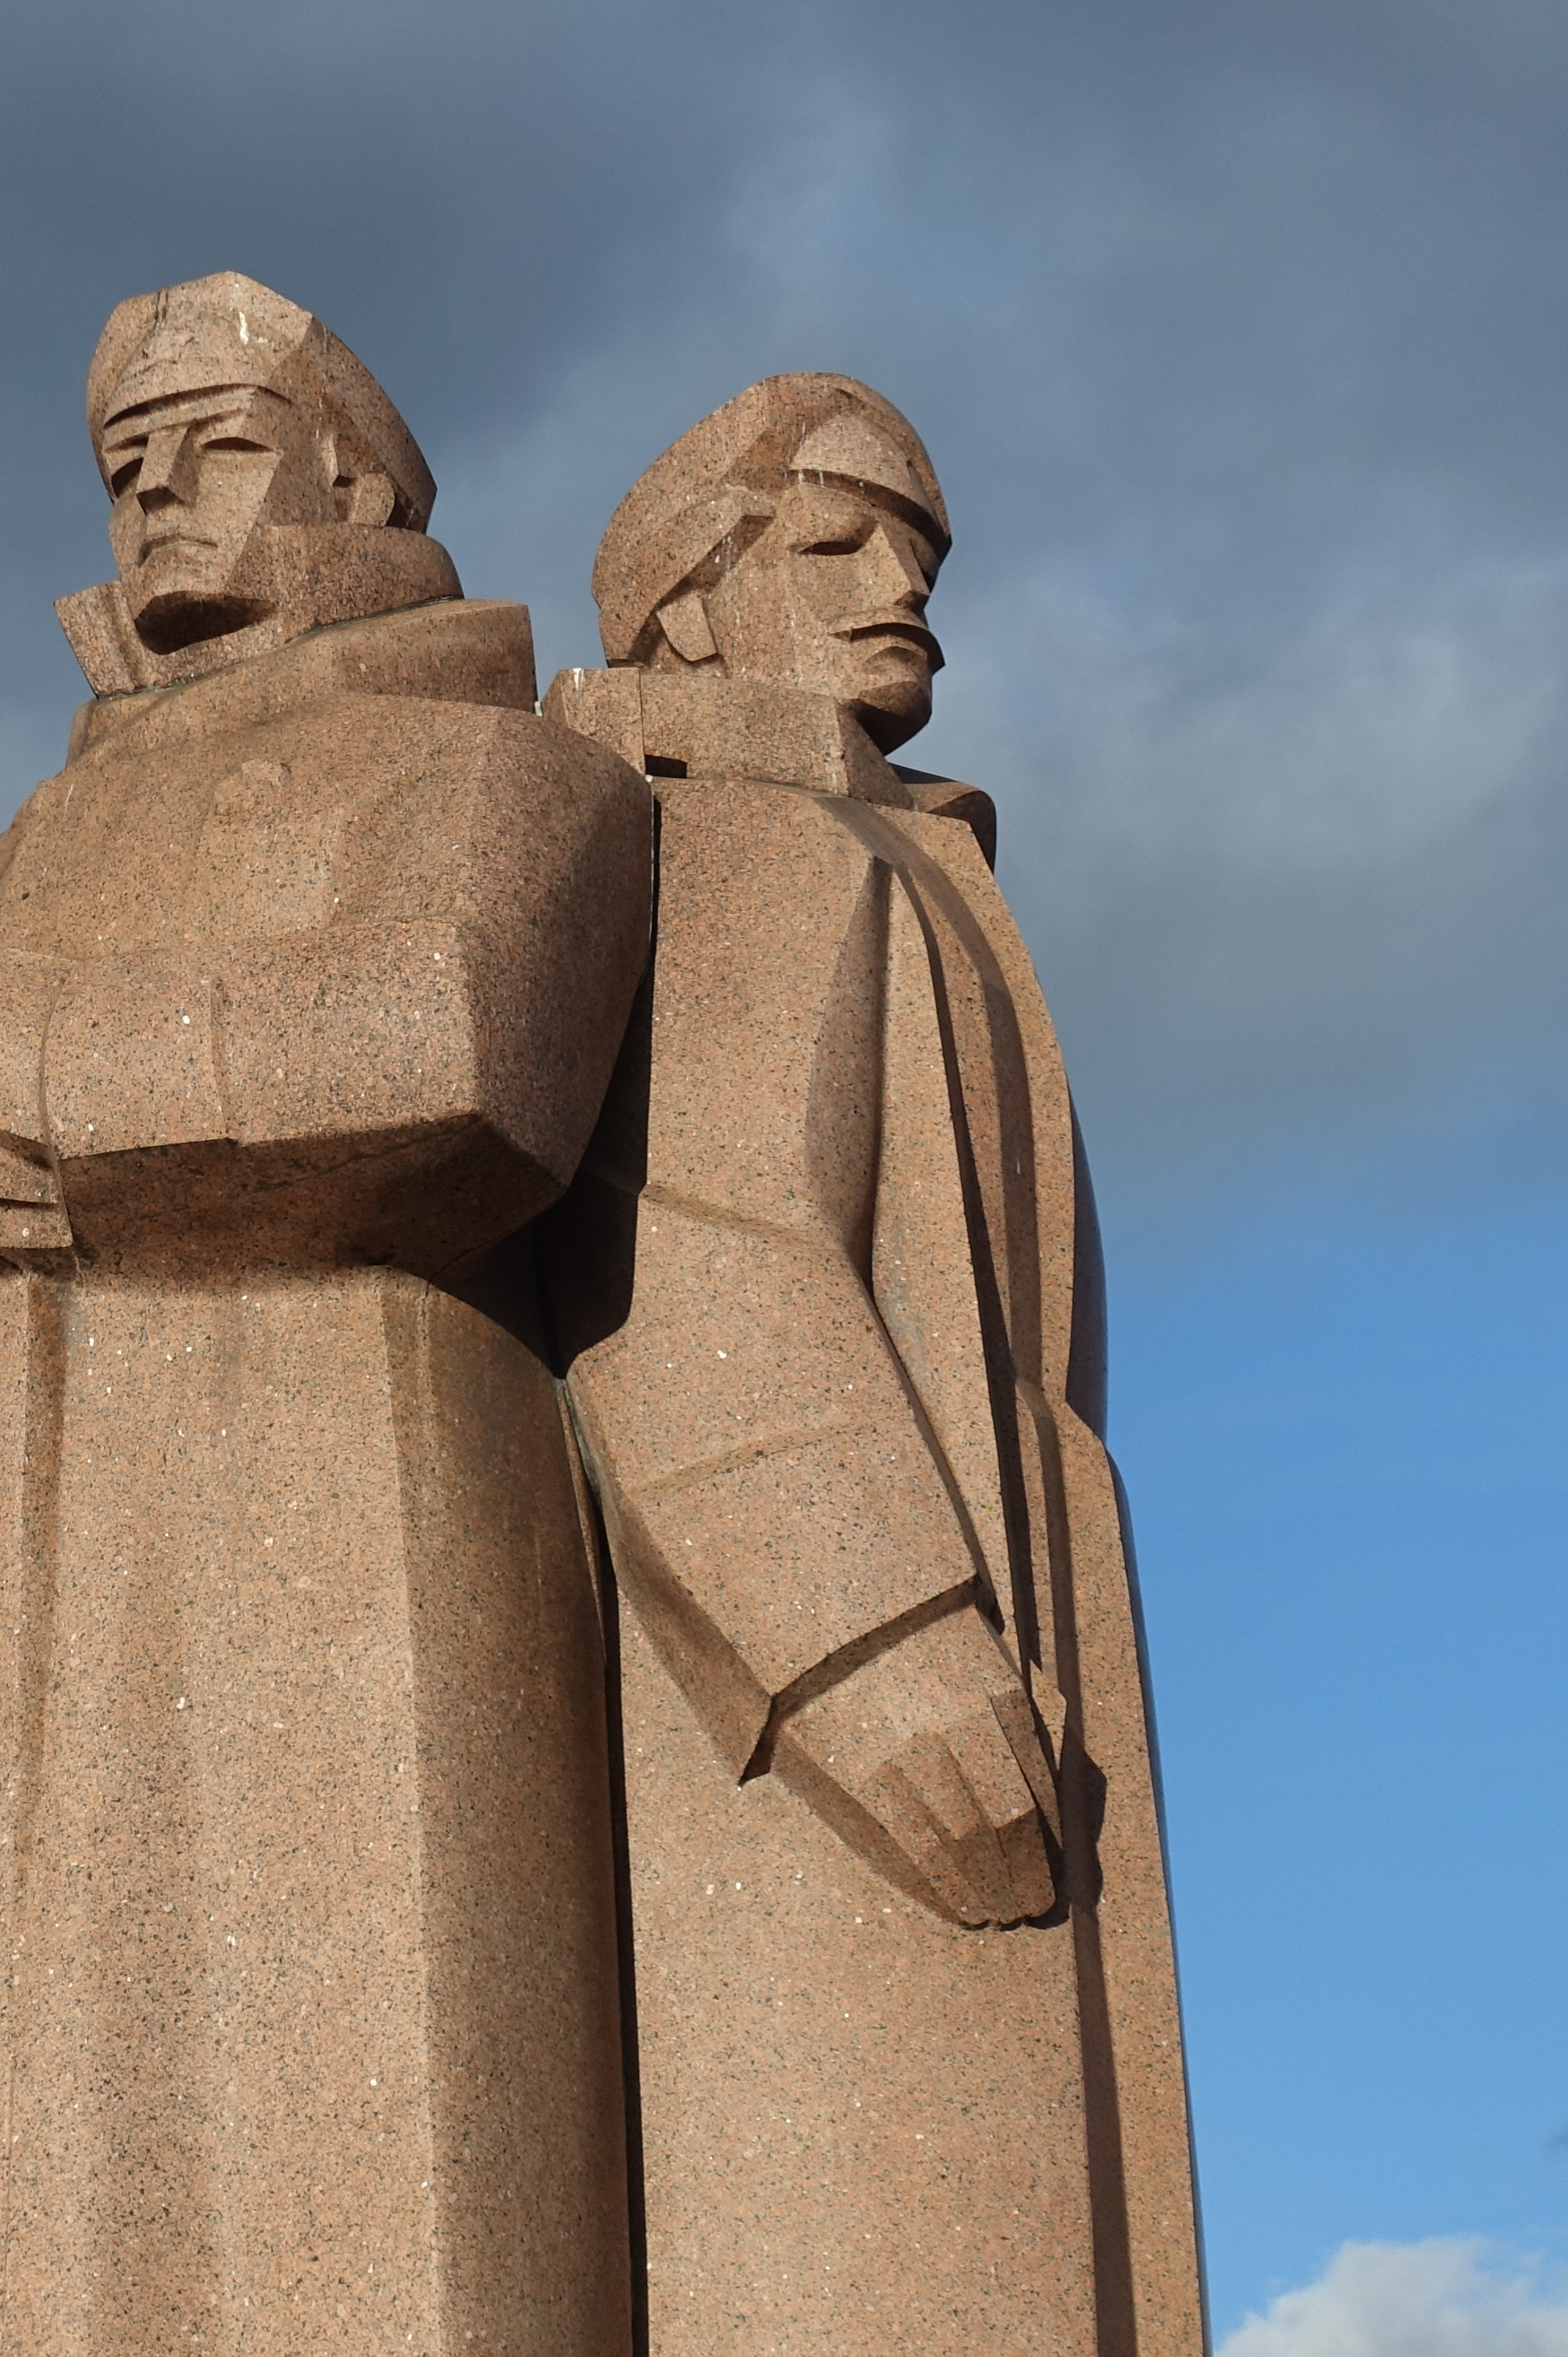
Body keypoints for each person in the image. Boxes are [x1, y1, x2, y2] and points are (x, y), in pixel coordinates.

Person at [0, 273, 654, 2357]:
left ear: (354, 482)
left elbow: (459, 1053)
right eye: (124, 464)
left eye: (216, 445)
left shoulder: (496, 772)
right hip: (12, 1586)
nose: (154, 496)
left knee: (369, 2149)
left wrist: (39, 1074)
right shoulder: (26, 850)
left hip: (359, 1520)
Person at [538, 373, 1209, 2355]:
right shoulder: (732, 840)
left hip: (983, 1595)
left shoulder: (885, 847)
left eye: (917, 550)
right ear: (683, 609)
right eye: (835, 543)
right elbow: (693, 1236)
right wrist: (875, 1644)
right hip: (841, 1683)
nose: (900, 587)